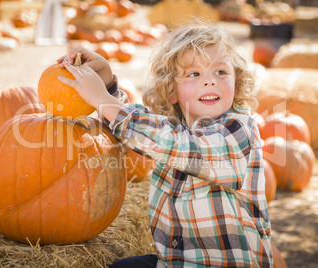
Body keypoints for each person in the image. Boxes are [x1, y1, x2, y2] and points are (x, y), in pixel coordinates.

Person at [57, 21, 273, 267]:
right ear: (172, 91)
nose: (210, 81)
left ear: (236, 82)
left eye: (221, 72)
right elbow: (138, 135)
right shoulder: (172, 129)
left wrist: (102, 100)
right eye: (194, 74)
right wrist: (107, 82)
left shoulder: (239, 130)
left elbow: (175, 143)